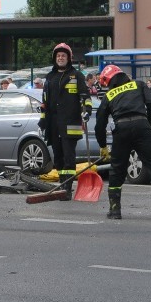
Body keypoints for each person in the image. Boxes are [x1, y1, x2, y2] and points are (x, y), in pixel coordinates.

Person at [94, 65, 151, 221]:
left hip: (121, 130)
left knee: (117, 170)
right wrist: (147, 122)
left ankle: (115, 210)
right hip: (142, 126)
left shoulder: (109, 95)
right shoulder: (139, 84)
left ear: (108, 81)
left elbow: (100, 123)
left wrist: (103, 146)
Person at [38, 43, 92, 200]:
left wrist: (86, 112)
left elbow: (85, 97)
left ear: (69, 58)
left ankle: (67, 189)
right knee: (59, 156)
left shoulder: (77, 76)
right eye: (58, 56)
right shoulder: (50, 77)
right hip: (53, 124)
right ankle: (62, 185)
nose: (60, 58)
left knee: (69, 156)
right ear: (55, 58)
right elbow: (44, 101)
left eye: (63, 55)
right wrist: (42, 120)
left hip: (70, 122)